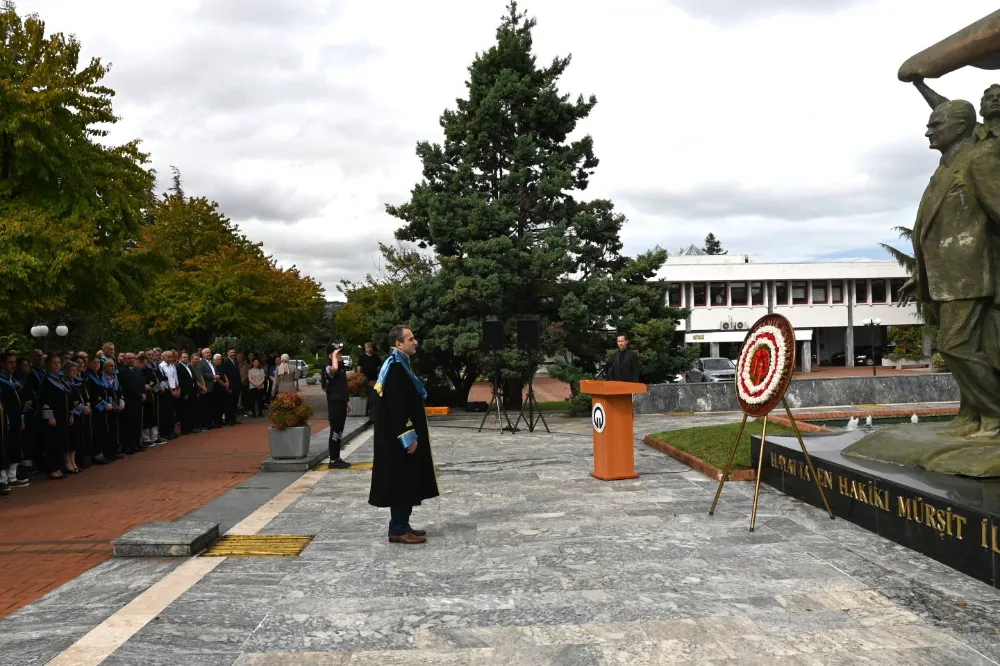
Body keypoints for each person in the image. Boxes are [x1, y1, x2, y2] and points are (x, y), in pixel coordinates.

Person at [898, 99, 1000, 439]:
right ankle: (972, 414)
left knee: (954, 346)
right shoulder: (944, 167)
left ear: (960, 127)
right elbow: (934, 225)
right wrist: (920, 275)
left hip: (971, 273)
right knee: (969, 347)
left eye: (935, 124)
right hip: (946, 277)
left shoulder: (980, 158)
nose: (928, 130)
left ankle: (995, 414)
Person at [368, 325, 439, 545]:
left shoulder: (399, 364)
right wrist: (408, 436)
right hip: (398, 439)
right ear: (398, 343)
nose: (415, 341)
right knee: (401, 481)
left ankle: (402, 523)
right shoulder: (396, 368)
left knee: (406, 480)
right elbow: (398, 406)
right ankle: (398, 528)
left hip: (397, 437)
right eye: (410, 338)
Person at [37, 355, 71, 479]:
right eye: (53, 363)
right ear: (47, 365)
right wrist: (49, 416)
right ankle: (52, 468)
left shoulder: (59, 379)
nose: (57, 365)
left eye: (58, 362)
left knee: (61, 442)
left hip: (62, 415)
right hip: (53, 417)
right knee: (52, 442)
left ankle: (59, 467)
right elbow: (44, 400)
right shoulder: (46, 381)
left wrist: (70, 414)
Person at [0, 351, 27, 491]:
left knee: (16, 445)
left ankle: (12, 477)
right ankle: (2, 479)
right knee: (4, 448)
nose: (13, 365)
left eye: (14, 362)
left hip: (16, 418)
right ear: (2, 364)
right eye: (10, 362)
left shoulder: (12, 380)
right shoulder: (2, 382)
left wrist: (21, 417)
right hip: (4, 420)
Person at [322, 345, 351, 469]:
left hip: (341, 403)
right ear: (331, 356)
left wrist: (347, 402)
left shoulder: (341, 369)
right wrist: (334, 355)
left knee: (339, 432)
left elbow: (342, 386)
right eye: (337, 354)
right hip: (335, 404)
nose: (340, 356)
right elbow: (333, 368)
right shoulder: (328, 367)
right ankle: (333, 460)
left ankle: (337, 457)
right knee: (335, 432)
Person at [358, 342, 381, 421]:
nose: (369, 349)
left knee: (373, 397)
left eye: (370, 347)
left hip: (374, 380)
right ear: (365, 349)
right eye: (367, 347)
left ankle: (372, 415)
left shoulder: (376, 357)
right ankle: (365, 412)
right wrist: (358, 377)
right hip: (364, 380)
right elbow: (359, 368)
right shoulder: (362, 357)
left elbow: (379, 368)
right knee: (365, 397)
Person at [222, 349, 242, 426]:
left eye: (234, 352)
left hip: (237, 386)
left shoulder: (235, 361)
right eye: (231, 352)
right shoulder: (226, 362)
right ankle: (229, 419)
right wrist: (228, 387)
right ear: (228, 353)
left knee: (235, 403)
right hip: (230, 387)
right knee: (229, 403)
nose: (233, 353)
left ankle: (233, 419)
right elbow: (225, 375)